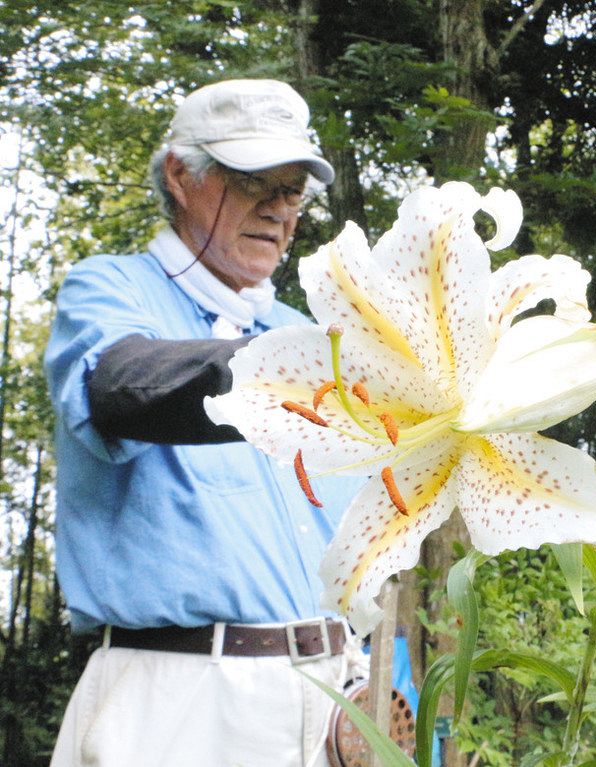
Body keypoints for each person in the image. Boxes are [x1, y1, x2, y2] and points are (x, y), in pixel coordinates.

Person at [44, 79, 367, 767]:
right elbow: (121, 387)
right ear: (180, 176)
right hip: (183, 701)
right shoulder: (112, 289)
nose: (278, 211)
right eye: (254, 183)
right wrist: (303, 367)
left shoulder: (301, 329)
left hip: (336, 696)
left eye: (292, 193)